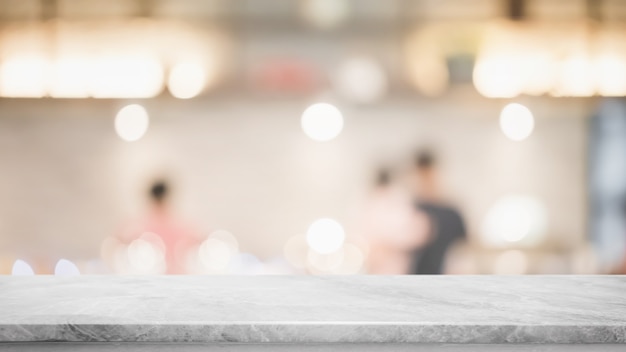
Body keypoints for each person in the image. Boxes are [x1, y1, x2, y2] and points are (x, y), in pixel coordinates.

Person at [116, 180, 199, 274]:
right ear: (167, 196)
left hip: (151, 278)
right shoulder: (181, 225)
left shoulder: (138, 226)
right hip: (176, 278)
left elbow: (120, 241)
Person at [361, 168, 430, 274]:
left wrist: (388, 245)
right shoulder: (377, 203)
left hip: (397, 263)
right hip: (381, 262)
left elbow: (417, 233)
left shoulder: (397, 201)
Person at [409, 150, 466, 274]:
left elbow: (463, 253)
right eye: (421, 177)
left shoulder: (452, 214)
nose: (425, 182)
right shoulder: (409, 213)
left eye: (428, 176)